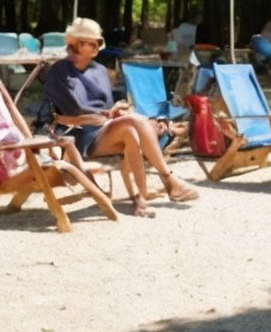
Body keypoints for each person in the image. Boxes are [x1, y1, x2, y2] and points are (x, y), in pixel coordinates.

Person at [46, 17, 200, 217]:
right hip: (77, 135)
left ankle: (141, 200)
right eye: (91, 43)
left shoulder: (100, 70)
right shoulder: (60, 70)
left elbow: (107, 104)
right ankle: (170, 181)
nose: (96, 47)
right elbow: (74, 108)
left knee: (130, 128)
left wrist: (117, 109)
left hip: (103, 130)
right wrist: (108, 114)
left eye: (97, 43)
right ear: (76, 44)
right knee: (135, 121)